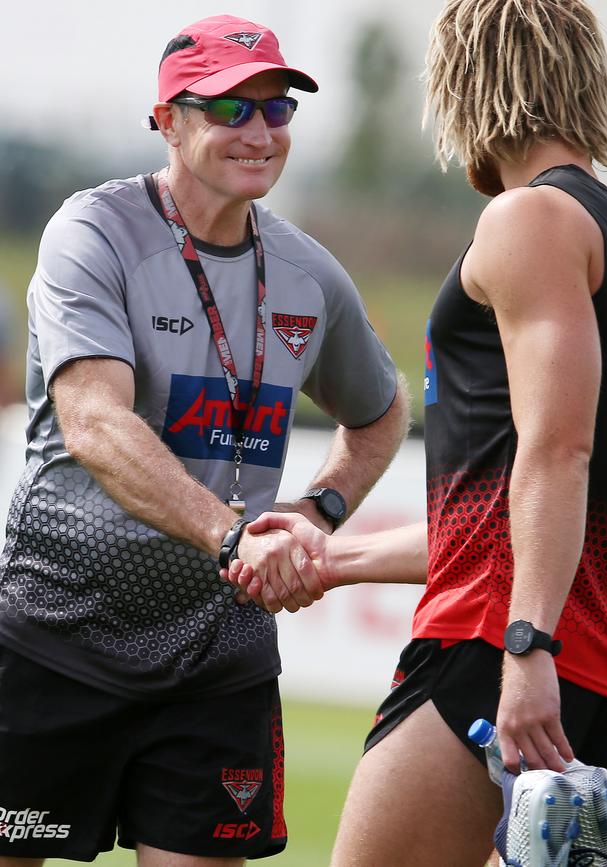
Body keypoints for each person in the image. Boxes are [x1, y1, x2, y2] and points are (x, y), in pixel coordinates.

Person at [227, 1, 607, 864]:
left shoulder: (528, 221)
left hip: (499, 654)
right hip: (596, 664)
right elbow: (503, 521)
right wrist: (331, 556)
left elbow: (557, 454)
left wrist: (527, 649)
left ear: (470, 83)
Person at [0, 14, 409, 866]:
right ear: (167, 120)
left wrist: (315, 511)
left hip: (218, 655)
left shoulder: (309, 274)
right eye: (231, 106)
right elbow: (95, 422)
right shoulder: (95, 233)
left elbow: (380, 411)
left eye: (278, 108)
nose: (259, 131)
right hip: (52, 637)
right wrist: (232, 534)